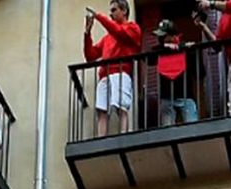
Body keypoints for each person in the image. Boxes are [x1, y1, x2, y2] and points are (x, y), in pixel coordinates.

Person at [84, 1, 142, 136]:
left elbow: (118, 31)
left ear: (124, 11)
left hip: (121, 73)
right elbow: (90, 56)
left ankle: (123, 136)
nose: (111, 14)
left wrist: (98, 16)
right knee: (102, 111)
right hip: (104, 75)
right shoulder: (107, 38)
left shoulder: (132, 28)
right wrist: (87, 33)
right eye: (110, 11)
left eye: (114, 10)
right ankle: (101, 140)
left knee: (122, 107)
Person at [154, 19, 198, 126]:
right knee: (167, 133)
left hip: (186, 95)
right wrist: (168, 47)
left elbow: (198, 73)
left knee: (193, 129)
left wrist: (182, 47)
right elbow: (150, 56)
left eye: (164, 36)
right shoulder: (159, 50)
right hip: (166, 97)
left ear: (173, 35)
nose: (161, 39)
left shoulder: (186, 49)